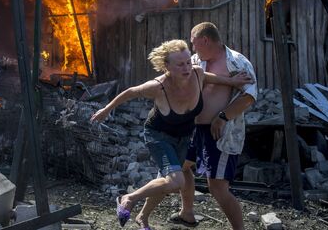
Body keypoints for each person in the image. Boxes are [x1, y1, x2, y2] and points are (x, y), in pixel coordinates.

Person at [90, 39, 251, 229]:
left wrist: (231, 81)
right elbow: (130, 92)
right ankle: (128, 198)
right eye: (180, 64)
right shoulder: (158, 86)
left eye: (188, 62)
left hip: (183, 137)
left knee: (168, 180)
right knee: (176, 181)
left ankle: (146, 216)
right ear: (167, 66)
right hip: (159, 136)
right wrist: (106, 110)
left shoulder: (197, 74)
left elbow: (210, 77)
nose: (187, 68)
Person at [171, 22, 257, 230]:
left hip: (220, 132)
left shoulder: (236, 62)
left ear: (205, 40)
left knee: (217, 187)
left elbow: (249, 96)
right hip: (193, 129)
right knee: (181, 167)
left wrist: (222, 117)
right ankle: (187, 213)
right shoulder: (194, 61)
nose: (193, 49)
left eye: (194, 44)